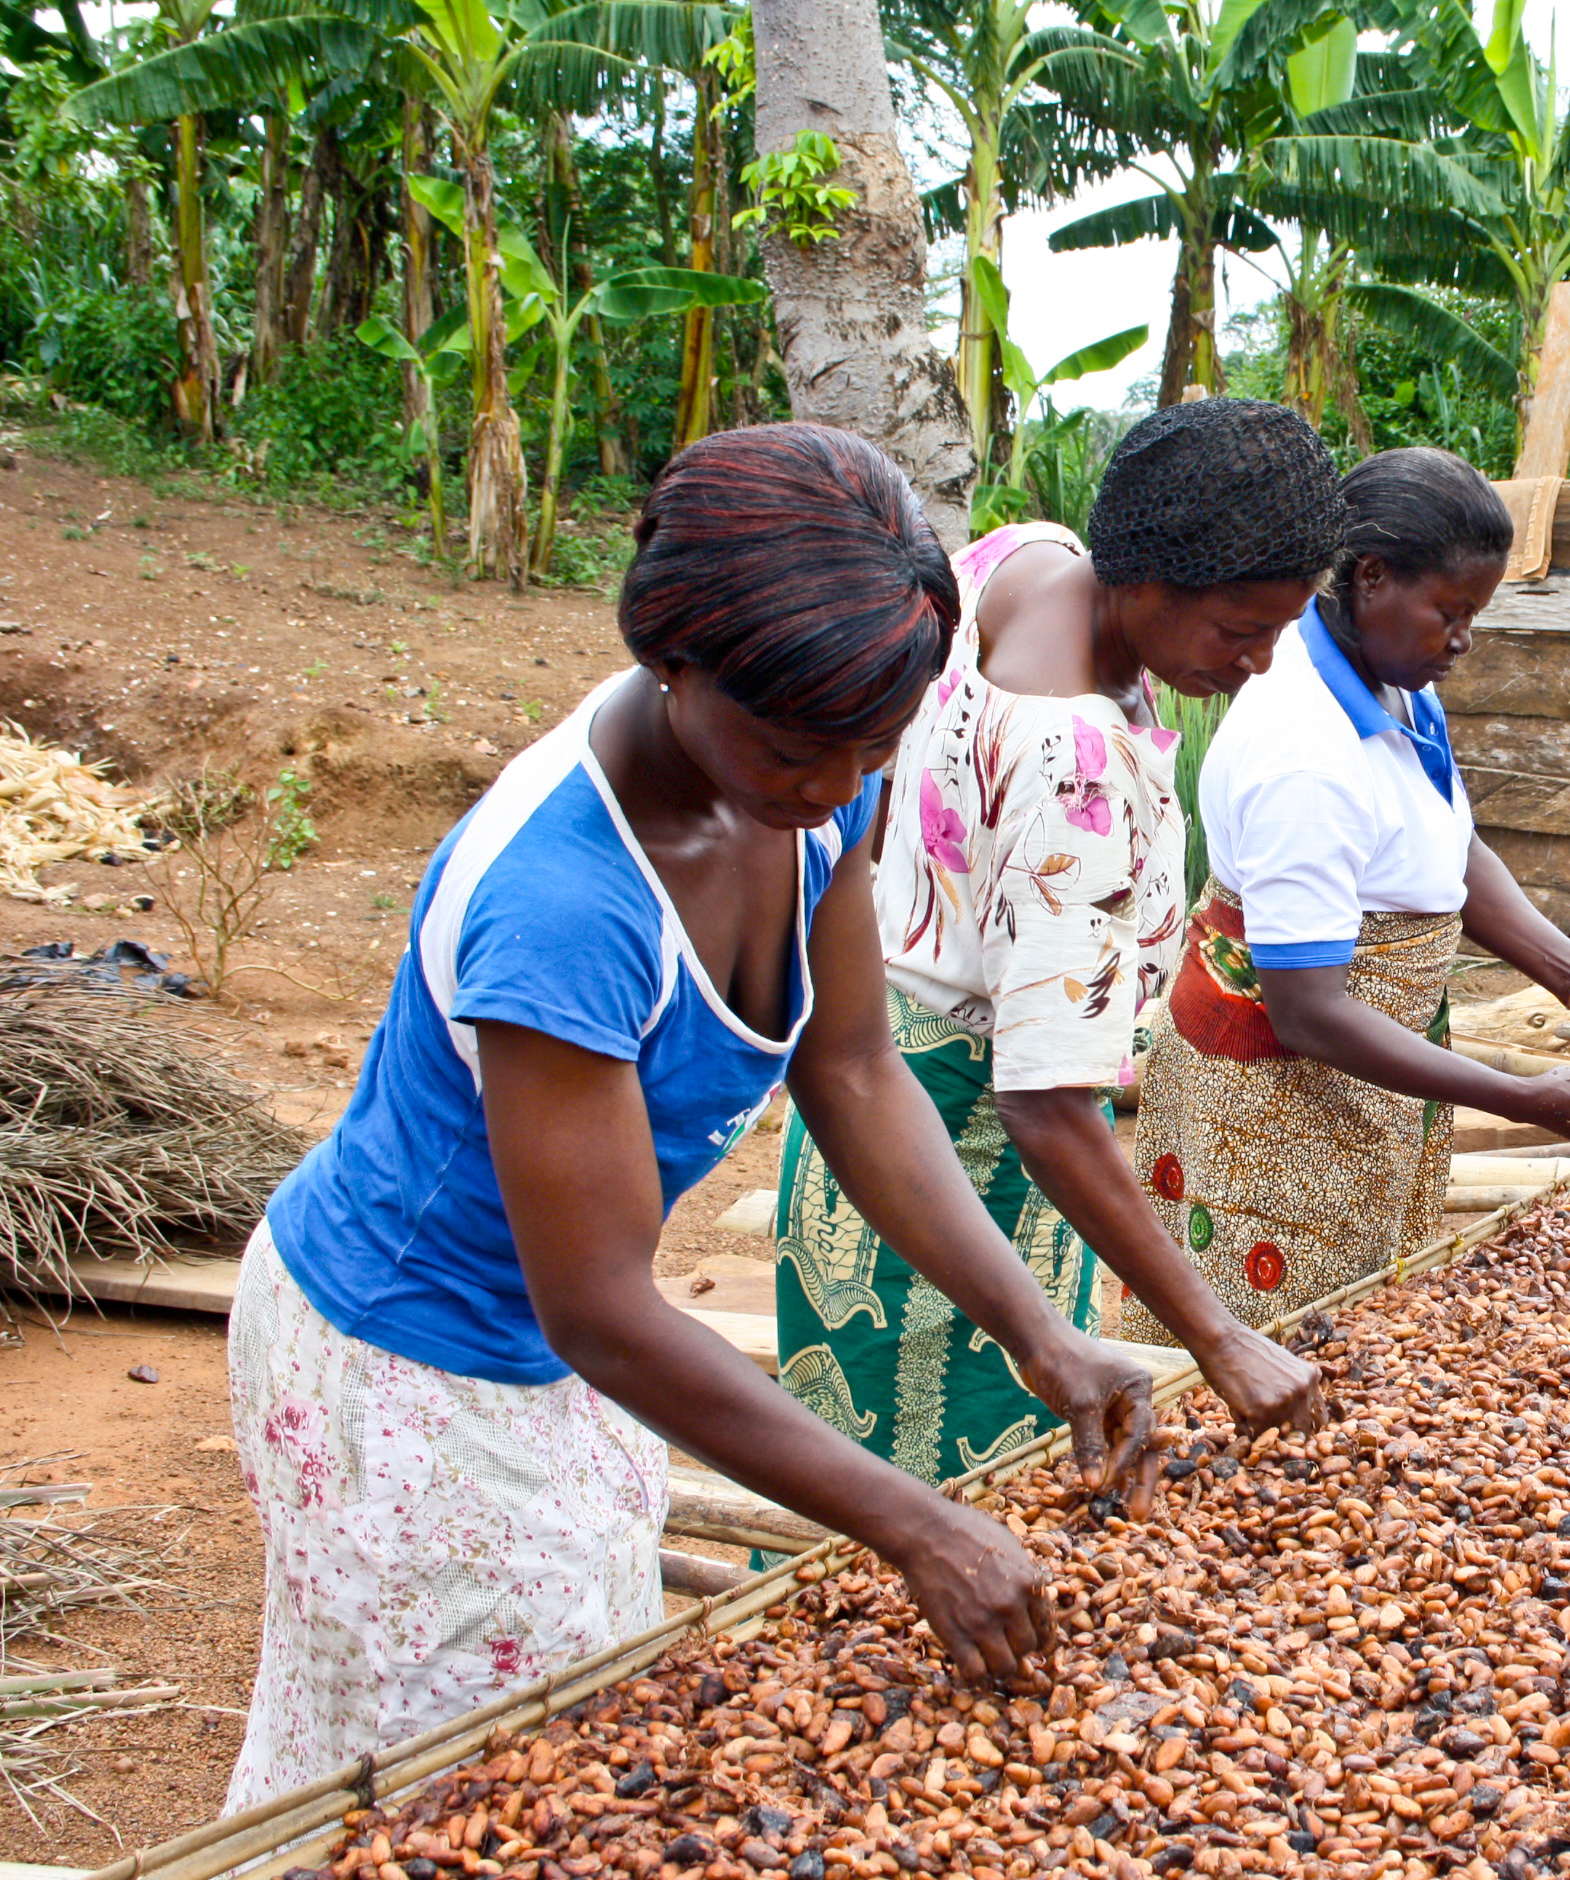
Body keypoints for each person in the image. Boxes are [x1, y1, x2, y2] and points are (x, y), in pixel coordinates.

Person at [223, 425, 1163, 1809]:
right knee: (439, 1786)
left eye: (870, 752)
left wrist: (1041, 1335)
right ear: (672, 656)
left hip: (550, 1354)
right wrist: (915, 1523)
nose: (836, 792)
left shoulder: (818, 770)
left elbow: (850, 1071)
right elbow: (599, 1306)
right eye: (799, 753)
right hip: (404, 1359)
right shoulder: (563, 907)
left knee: (555, 1724)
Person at [774, 398, 1338, 1487]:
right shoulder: (1073, 768)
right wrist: (1216, 1335)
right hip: (960, 1152)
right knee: (949, 1497)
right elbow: (1042, 1105)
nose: (1261, 663)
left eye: (1279, 631)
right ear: (1146, 579)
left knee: (866, 1481)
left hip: (880, 1081)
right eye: (1240, 629)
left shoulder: (1026, 559)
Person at [1130, 446, 1570, 1333]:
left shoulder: (1396, 680)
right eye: (1451, 612)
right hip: (1278, 1124)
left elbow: (1446, 848)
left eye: (1475, 615)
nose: (1465, 639)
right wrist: (1526, 1101)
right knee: (1273, 1351)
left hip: (1366, 1096)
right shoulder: (1305, 750)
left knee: (1358, 1333)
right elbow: (1310, 1013)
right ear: (1370, 579)